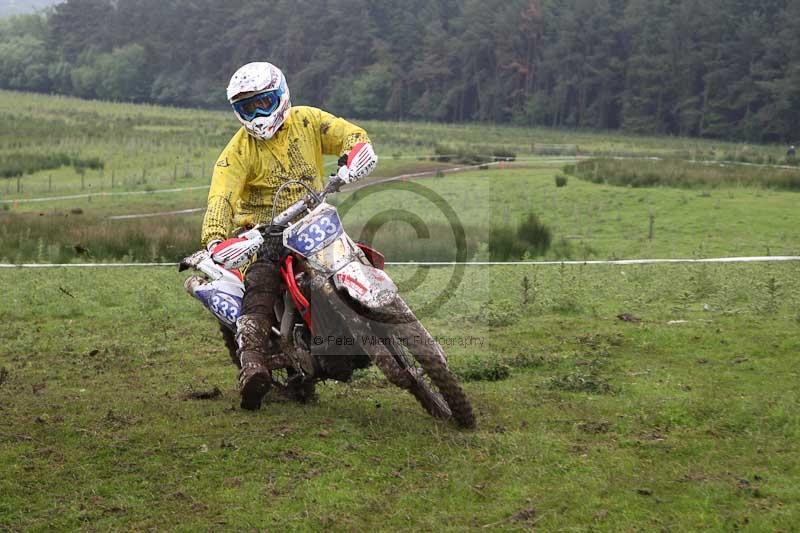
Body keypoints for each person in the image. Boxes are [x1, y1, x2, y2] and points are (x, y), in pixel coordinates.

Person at [202, 62, 377, 410]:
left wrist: (357, 151)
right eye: (248, 107)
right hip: (262, 235)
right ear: (238, 111)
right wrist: (216, 239)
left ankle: (377, 317)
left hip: (313, 219)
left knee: (355, 256)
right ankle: (252, 363)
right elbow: (220, 197)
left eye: (264, 101)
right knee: (261, 283)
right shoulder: (236, 153)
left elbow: (347, 133)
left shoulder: (307, 121)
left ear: (280, 94)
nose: (258, 113)